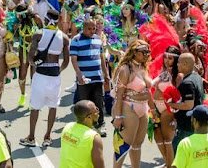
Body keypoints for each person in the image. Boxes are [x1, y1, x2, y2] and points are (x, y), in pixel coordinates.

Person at [19, 9, 70, 147]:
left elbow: (30, 57)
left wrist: (35, 65)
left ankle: (31, 137)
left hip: (40, 75)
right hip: (54, 76)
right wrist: (58, 70)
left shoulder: (38, 34)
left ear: (46, 20)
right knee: (53, 107)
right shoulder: (64, 38)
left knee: (35, 107)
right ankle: (47, 137)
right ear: (58, 20)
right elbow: (66, 61)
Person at [112, 40, 153, 168]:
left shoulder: (143, 67)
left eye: (148, 52)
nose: (147, 54)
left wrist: (154, 109)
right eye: (144, 52)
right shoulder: (126, 69)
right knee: (124, 145)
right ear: (135, 52)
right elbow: (119, 96)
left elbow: (148, 91)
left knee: (137, 145)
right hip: (129, 108)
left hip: (143, 108)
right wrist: (118, 117)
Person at [70, 17, 109, 137]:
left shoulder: (98, 39)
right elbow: (74, 60)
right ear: (83, 28)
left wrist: (106, 74)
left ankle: (100, 125)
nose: (92, 31)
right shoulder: (76, 40)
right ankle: (83, 128)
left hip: (97, 78)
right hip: (84, 80)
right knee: (84, 105)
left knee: (99, 102)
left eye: (94, 28)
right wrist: (79, 74)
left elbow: (101, 57)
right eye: (89, 29)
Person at [170, 52, 204, 153]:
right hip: (193, 124)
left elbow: (188, 105)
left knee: (177, 152)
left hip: (186, 126)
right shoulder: (196, 76)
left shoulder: (187, 83)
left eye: (179, 62)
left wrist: (170, 104)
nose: (177, 64)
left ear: (185, 64)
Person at [60, 100, 105, 168]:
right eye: (96, 110)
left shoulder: (67, 127)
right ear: (89, 117)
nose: (98, 112)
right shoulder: (93, 137)